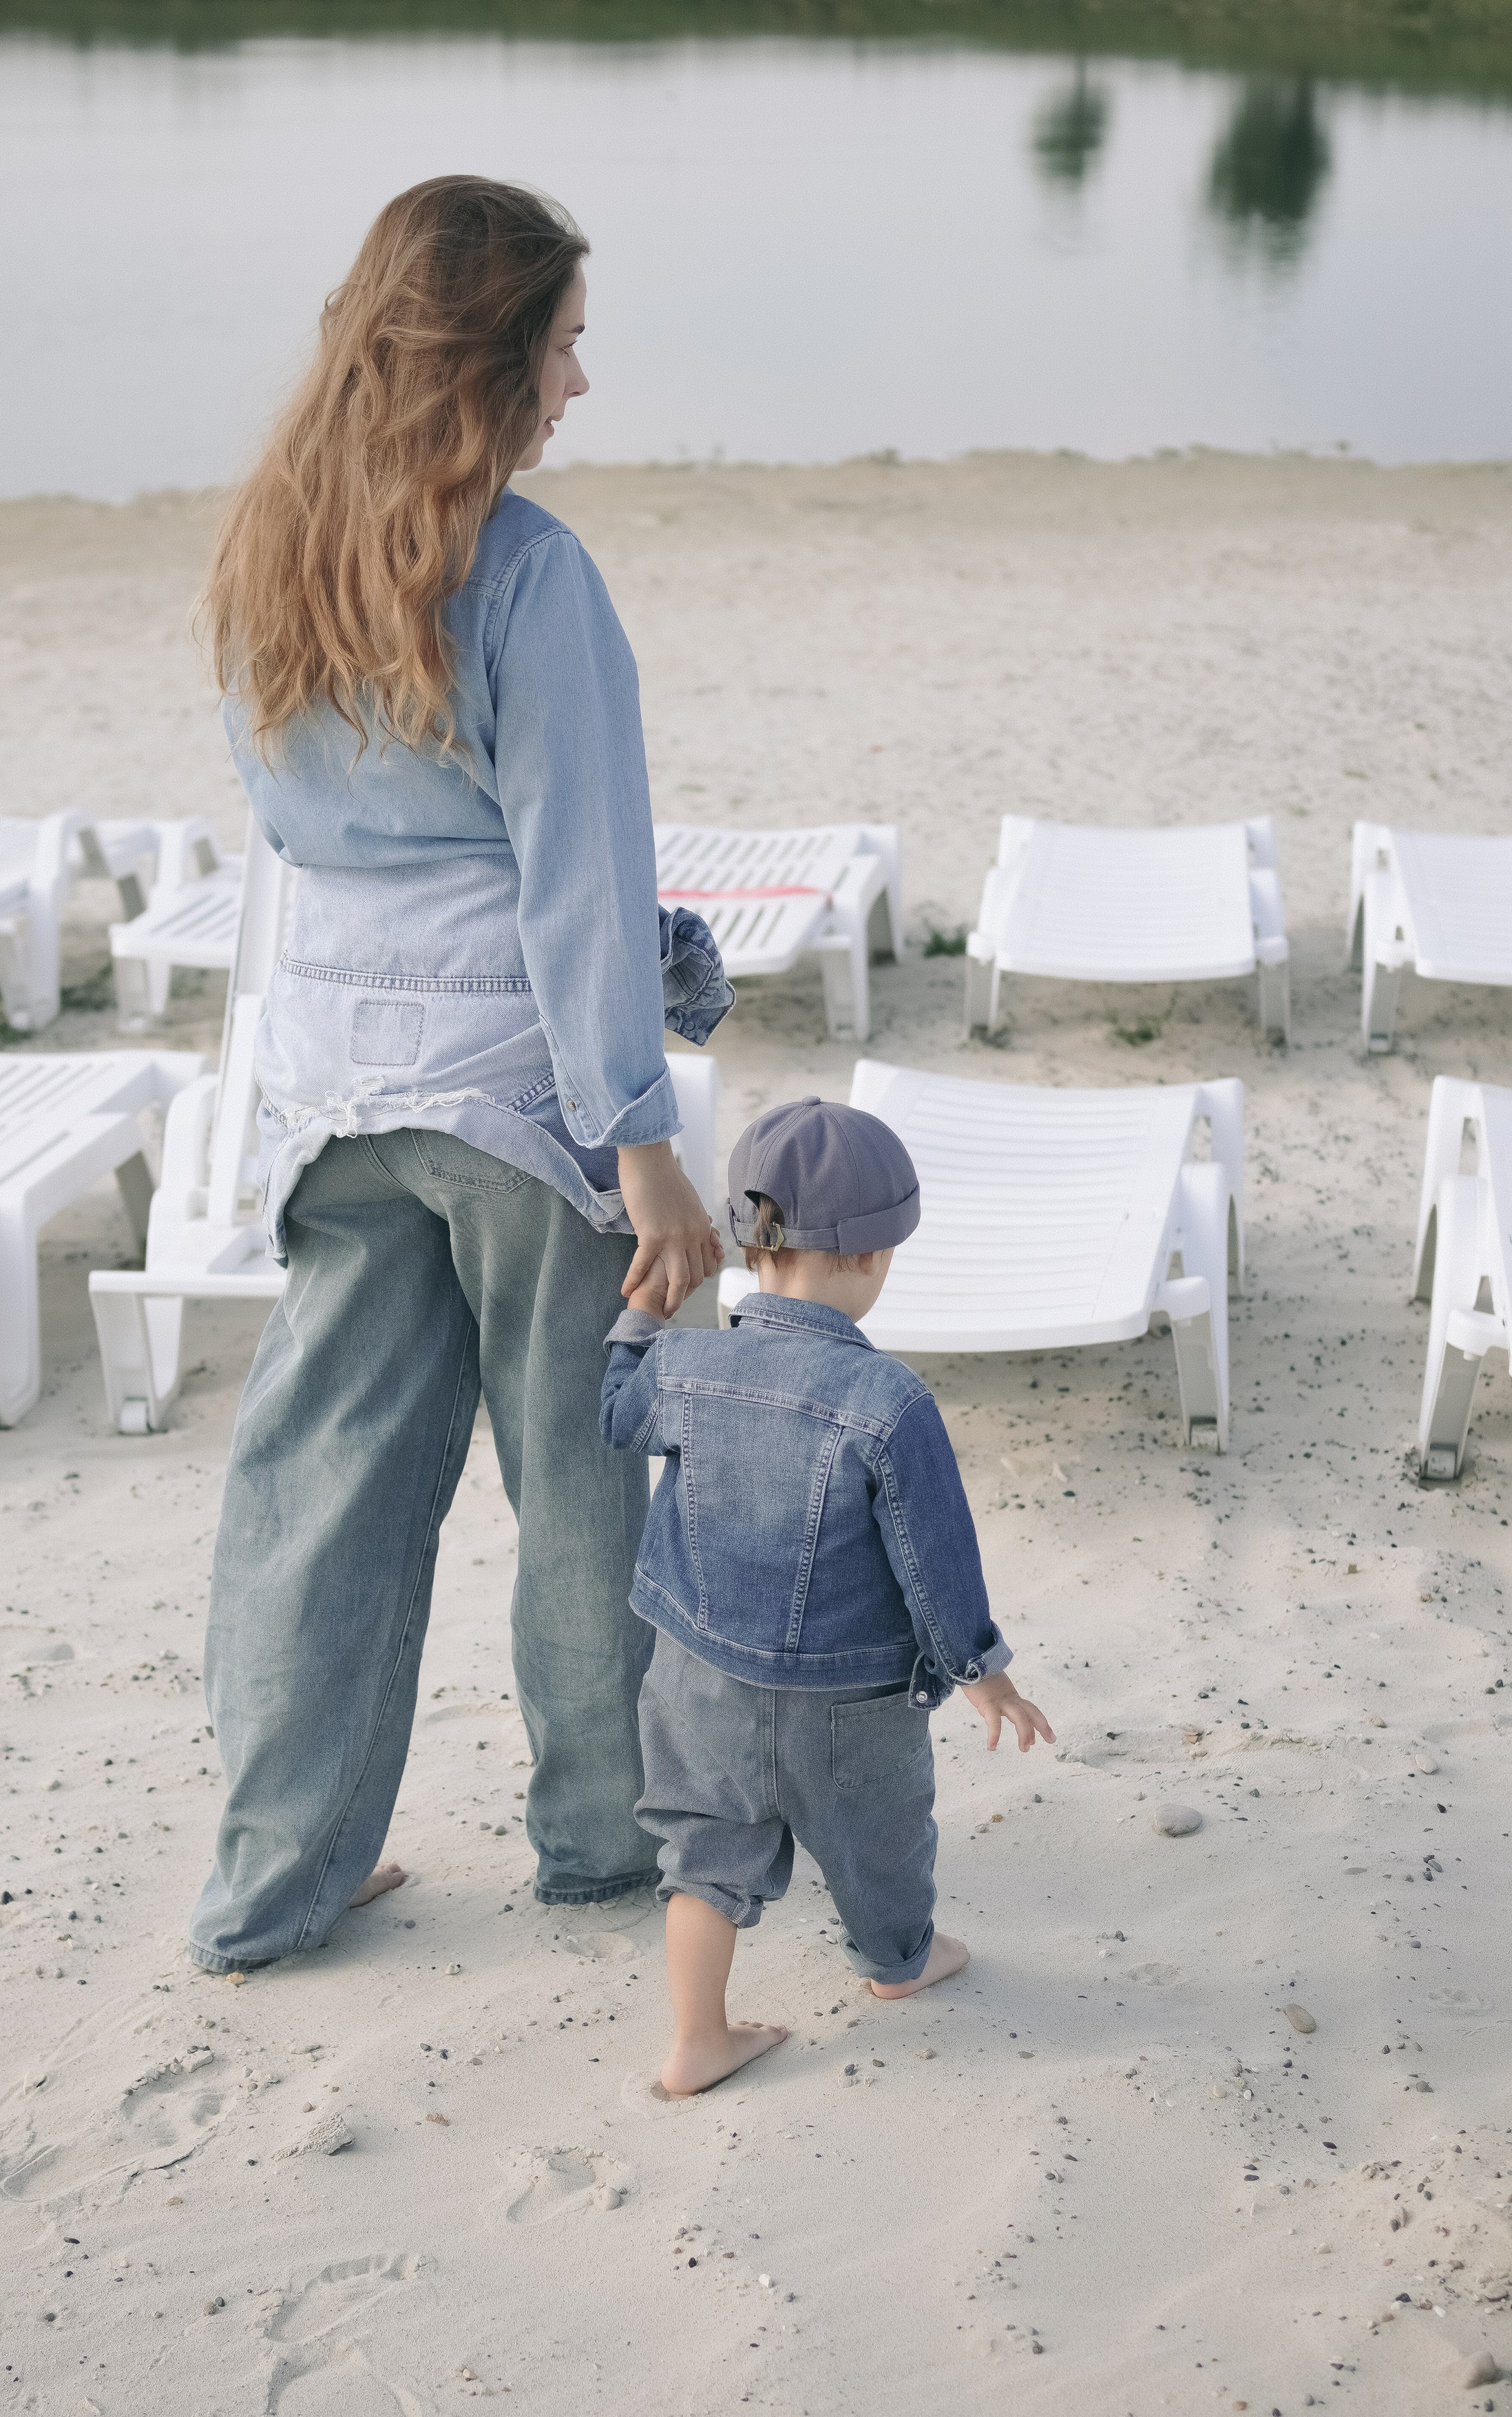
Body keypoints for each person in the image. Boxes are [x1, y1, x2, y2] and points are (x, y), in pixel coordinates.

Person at [187, 176, 729, 1976]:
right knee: (576, 1482)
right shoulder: (531, 571)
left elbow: (293, 838)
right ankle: (601, 1843)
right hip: (516, 1093)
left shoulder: (273, 543)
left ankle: (278, 1875)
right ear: (487, 360)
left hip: (339, 1086)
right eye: (566, 345)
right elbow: (575, 878)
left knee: (318, 1485)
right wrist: (639, 1137)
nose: (583, 382)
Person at [599, 1097, 1054, 2096]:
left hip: (696, 1671)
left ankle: (697, 2040)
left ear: (751, 1243)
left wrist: (643, 1318)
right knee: (880, 1838)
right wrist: (982, 1673)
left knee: (701, 1853)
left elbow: (618, 1416)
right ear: (869, 1259)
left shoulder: (687, 1362)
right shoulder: (890, 1400)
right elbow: (935, 1559)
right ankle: (899, 1964)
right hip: (846, 1697)